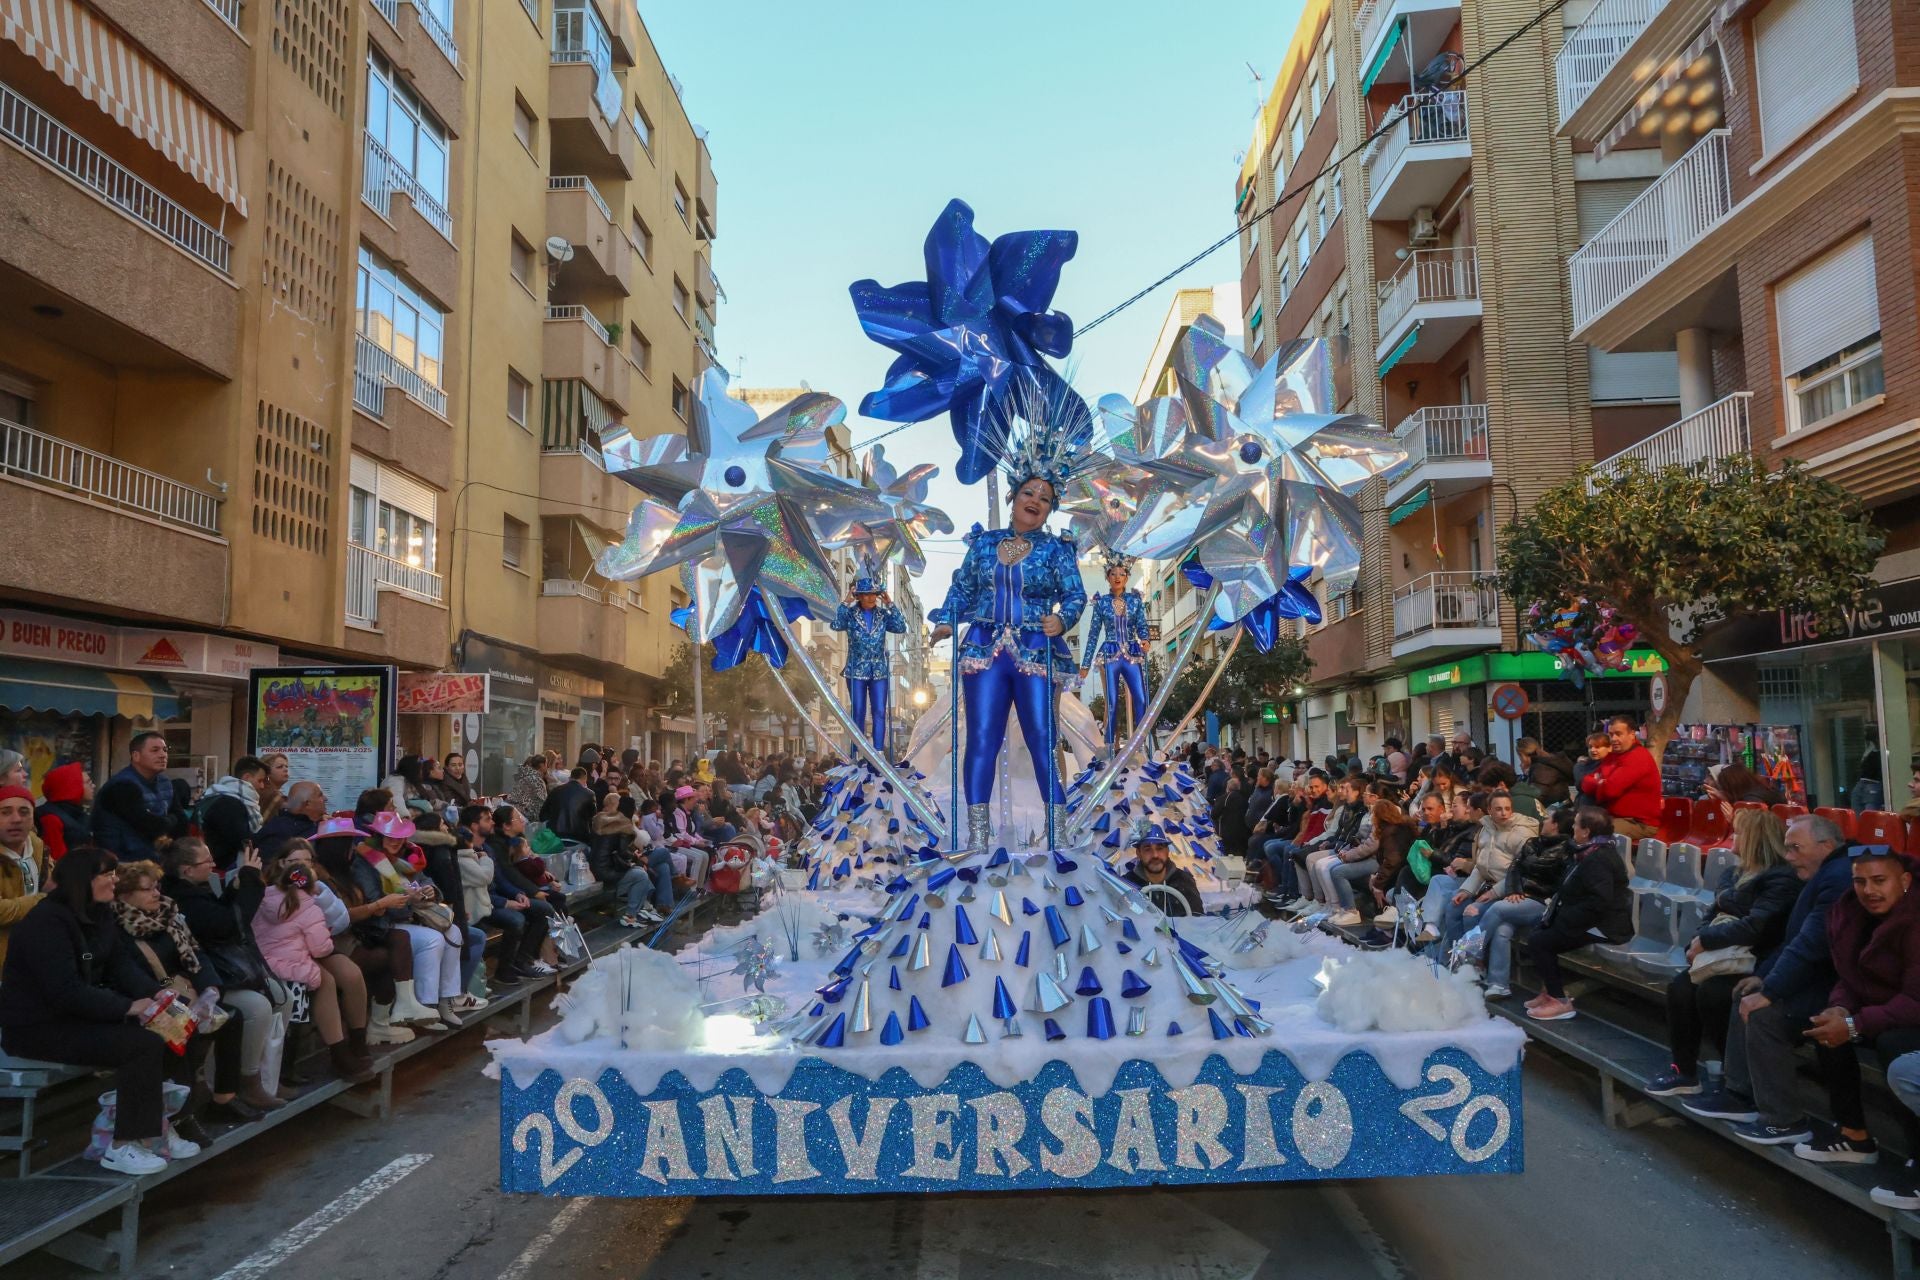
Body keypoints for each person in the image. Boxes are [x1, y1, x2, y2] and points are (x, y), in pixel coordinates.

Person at [0, 846, 196, 1175]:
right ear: (83, 880)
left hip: (75, 1018)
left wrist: (163, 1000)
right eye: (107, 874)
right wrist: (127, 1007)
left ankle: (157, 1129)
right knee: (140, 1044)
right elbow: (65, 992)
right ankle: (123, 1145)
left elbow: (122, 967)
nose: (114, 880)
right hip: (36, 1029)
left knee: (172, 1026)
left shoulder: (99, 914)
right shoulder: (46, 923)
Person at [928, 455, 1088, 849]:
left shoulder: (1055, 549)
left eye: (1046, 498)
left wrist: (1062, 620)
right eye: (1030, 492)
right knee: (982, 738)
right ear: (1015, 495)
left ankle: (1057, 833)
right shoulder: (983, 544)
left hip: (1035, 649)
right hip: (984, 650)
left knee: (1041, 737)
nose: (1035, 500)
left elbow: (1075, 594)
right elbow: (963, 588)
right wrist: (948, 619)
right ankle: (978, 838)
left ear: (1051, 509)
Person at [1683, 814, 1852, 1137]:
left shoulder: (1835, 878)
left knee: (1764, 1013)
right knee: (1743, 992)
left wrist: (1771, 989)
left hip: (1838, 987)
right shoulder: (1819, 874)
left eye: (1796, 848)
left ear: (1826, 846)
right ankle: (1740, 1095)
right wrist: (1764, 978)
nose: (1788, 857)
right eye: (1787, 849)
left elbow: (1810, 944)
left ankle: (1784, 1119)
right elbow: (1796, 938)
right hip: (1820, 976)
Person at [1640, 810, 1799, 1091]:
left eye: (1737, 832)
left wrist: (1712, 933)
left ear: (1753, 838)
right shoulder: (1733, 873)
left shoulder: (1781, 878)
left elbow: (1757, 927)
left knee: (1714, 995)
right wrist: (1700, 940)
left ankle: (1735, 1076)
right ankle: (1684, 1071)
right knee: (1680, 988)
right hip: (1722, 954)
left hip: (1756, 961)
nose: (1731, 838)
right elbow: (1713, 913)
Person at [1782, 846, 1920, 1164]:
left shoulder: (1914, 919)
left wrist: (1854, 1024)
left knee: (1892, 1044)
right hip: (1884, 1010)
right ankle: (1854, 1135)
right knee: (1823, 1026)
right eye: (1860, 882)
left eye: (1879, 880)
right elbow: (1849, 975)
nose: (1868, 890)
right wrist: (1840, 1009)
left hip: (1911, 1015)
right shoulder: (1852, 913)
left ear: (1905, 881)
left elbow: (1915, 1000)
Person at [110, 860, 254, 1144]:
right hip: (148, 999)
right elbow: (130, 976)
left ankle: (223, 1099)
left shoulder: (168, 916)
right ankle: (182, 1117)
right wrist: (174, 992)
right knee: (180, 1030)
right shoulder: (118, 930)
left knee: (232, 1018)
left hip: (181, 991)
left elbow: (197, 956)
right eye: (147, 889)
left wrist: (208, 989)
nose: (155, 894)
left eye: (156, 887)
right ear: (125, 895)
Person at [159, 837, 286, 1113]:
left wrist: (234, 888)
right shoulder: (181, 900)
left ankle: (267, 1078)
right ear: (187, 870)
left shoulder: (194, 891)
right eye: (206, 861)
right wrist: (251, 881)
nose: (213, 864)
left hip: (214, 974)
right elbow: (229, 925)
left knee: (281, 996)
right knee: (256, 1007)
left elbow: (219, 916)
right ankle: (246, 1081)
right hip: (195, 980)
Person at [251, 854, 375, 1080]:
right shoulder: (305, 902)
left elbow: (340, 921)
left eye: (308, 860)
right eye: (296, 860)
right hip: (295, 957)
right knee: (323, 980)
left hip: (280, 955)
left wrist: (324, 898)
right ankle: (339, 1053)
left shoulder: (268, 895)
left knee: (351, 973)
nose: (304, 864)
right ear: (281, 863)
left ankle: (357, 1040)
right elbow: (321, 946)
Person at [353, 812, 467, 1029]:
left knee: (455, 932)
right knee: (433, 939)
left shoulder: (408, 858)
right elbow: (375, 900)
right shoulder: (365, 863)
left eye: (398, 837)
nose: (395, 842)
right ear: (379, 837)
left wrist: (431, 892)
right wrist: (409, 901)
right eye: (389, 837)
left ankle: (446, 1000)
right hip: (384, 924)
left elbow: (429, 882)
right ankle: (427, 1005)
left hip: (412, 917)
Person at [1524, 807, 1632, 1021]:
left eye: (1576, 824)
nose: (1572, 827)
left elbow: (1599, 902)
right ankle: (1548, 992)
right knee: (1540, 930)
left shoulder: (1600, 858)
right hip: (1584, 918)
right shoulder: (1586, 851)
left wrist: (1564, 920)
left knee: (1541, 941)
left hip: (1604, 926)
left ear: (1586, 831)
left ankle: (1560, 1001)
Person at [1461, 806, 1576, 998]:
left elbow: (1545, 873)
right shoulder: (1533, 842)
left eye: (1547, 819)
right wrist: (1514, 889)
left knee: (1497, 908)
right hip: (1518, 898)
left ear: (1555, 825)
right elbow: (1515, 868)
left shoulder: (1566, 850)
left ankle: (1470, 953)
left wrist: (1522, 888)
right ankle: (1499, 984)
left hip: (1541, 901)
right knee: (1501, 930)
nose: (1543, 822)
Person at [458, 806, 549, 983]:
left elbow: (499, 879)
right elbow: (477, 889)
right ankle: (503, 970)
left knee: (543, 909)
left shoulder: (487, 848)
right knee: (516, 920)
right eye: (487, 819)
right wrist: (505, 903)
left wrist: (517, 894)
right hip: (478, 904)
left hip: (493, 899)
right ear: (474, 826)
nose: (493, 822)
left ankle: (521, 961)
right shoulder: (463, 851)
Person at [411, 812, 488, 1013]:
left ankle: (454, 994)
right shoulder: (442, 851)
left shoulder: (419, 849)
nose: (447, 826)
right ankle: (457, 994)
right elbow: (452, 889)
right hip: (439, 915)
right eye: (443, 823)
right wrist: (457, 913)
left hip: (433, 913)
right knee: (475, 938)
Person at [1079, 552, 1151, 756]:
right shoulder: (1101, 603)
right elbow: (1093, 634)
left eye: (1122, 573)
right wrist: (1084, 665)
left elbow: (1141, 625)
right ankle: (1110, 747)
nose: (1117, 577)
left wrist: (1145, 640)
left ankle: (1141, 744)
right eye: (1113, 573)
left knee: (1141, 699)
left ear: (1127, 577)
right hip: (1110, 654)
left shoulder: (1135, 601)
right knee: (1111, 702)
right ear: (1107, 577)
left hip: (1131, 653)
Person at [831, 573, 909, 754]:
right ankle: (856, 752)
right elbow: (836, 624)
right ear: (858, 596)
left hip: (879, 671)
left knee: (880, 712)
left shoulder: (883, 615)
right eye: (866, 594)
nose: (871, 598)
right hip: (856, 670)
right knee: (858, 711)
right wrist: (845, 602)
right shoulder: (850, 615)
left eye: (875, 594)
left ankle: (878, 752)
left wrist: (890, 603)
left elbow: (900, 627)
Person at [487, 806, 561, 973]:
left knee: (556, 900)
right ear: (506, 825)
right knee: (541, 909)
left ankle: (543, 954)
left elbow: (519, 870)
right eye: (517, 818)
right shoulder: (495, 845)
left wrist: (532, 888)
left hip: (514, 891)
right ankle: (523, 960)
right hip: (498, 896)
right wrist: (531, 892)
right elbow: (506, 875)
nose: (522, 820)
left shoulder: (513, 841)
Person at [91, 731, 183, 859]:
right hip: (123, 860)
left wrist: (167, 821)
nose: (163, 755)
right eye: (155, 750)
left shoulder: (165, 782)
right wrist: (170, 820)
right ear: (136, 756)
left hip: (153, 856)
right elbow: (150, 826)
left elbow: (181, 820)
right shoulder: (122, 785)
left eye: (165, 750)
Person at [589, 789, 666, 927]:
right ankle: (631, 915)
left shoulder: (602, 820)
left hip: (596, 868)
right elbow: (622, 853)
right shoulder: (623, 826)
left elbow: (613, 851)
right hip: (606, 872)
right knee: (641, 874)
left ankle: (645, 908)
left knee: (642, 871)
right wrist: (634, 858)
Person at [1578, 716, 1661, 842]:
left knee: (1595, 831)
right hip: (1613, 817)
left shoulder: (1637, 757)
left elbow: (1610, 790)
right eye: (1611, 734)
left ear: (1632, 735)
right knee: (1573, 822)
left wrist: (1601, 782)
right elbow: (1585, 782)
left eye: (1618, 734)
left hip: (1638, 823)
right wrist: (1602, 783)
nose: (1614, 739)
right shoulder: (1612, 757)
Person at [0, 785, 51, 968]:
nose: (16, 819)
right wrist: (43, 900)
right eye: (5, 812)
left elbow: (57, 886)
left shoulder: (37, 847)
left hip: (35, 955)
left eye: (24, 812)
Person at [198, 755, 269, 873]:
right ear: (247, 777)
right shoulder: (230, 803)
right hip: (224, 869)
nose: (262, 786)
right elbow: (243, 840)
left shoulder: (219, 795)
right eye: (260, 781)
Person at [1122, 823, 1202, 916]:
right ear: (1138, 853)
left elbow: (1197, 923)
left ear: (1167, 851)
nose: (1155, 855)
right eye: (1148, 849)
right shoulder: (1127, 884)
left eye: (1159, 848)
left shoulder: (1184, 881)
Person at [35, 761, 93, 861]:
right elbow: (57, 861)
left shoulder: (76, 812)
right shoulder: (51, 818)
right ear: (72, 787)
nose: (93, 786)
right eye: (88, 782)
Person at [256, 780, 327, 858]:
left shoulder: (320, 824)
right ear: (307, 804)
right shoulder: (277, 833)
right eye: (320, 795)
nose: (325, 798)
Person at [540, 767, 596, 843]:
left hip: (555, 837)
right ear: (585, 779)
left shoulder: (556, 790)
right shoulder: (589, 794)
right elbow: (593, 817)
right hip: (579, 838)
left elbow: (542, 815)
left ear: (570, 778)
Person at [509, 755, 550, 823]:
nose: (547, 767)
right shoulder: (536, 780)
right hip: (522, 815)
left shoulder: (525, 775)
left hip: (515, 810)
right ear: (542, 765)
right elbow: (542, 803)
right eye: (546, 764)